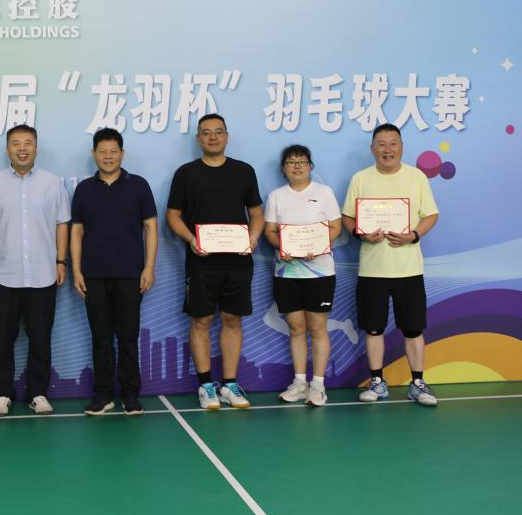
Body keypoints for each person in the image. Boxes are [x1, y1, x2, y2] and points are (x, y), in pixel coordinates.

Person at [166, 114, 264, 410]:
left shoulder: (243, 171)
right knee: (201, 320)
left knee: (233, 319)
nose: (213, 137)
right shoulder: (186, 173)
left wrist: (254, 237)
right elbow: (172, 216)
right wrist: (191, 240)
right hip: (201, 262)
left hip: (238, 262)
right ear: (198, 138)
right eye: (206, 132)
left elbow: (256, 213)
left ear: (226, 136)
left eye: (218, 132)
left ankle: (229, 385)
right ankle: (206, 385)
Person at [341, 123, 440, 407]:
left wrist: (413, 235)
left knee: (413, 329)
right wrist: (361, 233)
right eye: (381, 144)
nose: (388, 149)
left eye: (393, 143)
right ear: (372, 149)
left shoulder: (416, 177)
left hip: (408, 269)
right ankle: (377, 382)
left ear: (402, 147)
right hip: (372, 270)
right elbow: (348, 217)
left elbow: (431, 215)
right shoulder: (361, 178)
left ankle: (418, 383)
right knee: (373, 329)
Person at [0, 124, 71, 416]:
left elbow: (62, 223)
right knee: (1, 338)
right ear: (7, 149)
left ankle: (37, 393)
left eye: (28, 143)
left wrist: (61, 261)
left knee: (40, 338)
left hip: (43, 274)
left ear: (36, 147)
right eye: (16, 143)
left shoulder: (52, 183)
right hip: (3, 274)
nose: (22, 149)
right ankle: (2, 394)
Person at [70, 128, 158, 416]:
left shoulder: (139, 185)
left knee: (129, 337)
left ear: (122, 153)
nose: (108, 156)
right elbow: (76, 232)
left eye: (113, 151)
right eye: (102, 151)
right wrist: (76, 271)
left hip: (131, 274)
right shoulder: (84, 189)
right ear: (94, 154)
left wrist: (149, 268)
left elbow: (151, 228)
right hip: (93, 275)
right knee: (101, 338)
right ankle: (103, 394)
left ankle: (130, 395)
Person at [263, 145, 342, 408]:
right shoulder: (276, 196)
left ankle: (318, 385)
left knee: (317, 328)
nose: (297, 166)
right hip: (286, 272)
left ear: (310, 166)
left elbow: (336, 226)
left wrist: (318, 246)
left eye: (302, 161)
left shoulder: (324, 193)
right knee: (296, 328)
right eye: (291, 162)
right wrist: (281, 247)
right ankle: (299, 383)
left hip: (320, 271)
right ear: (284, 168)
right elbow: (270, 231)